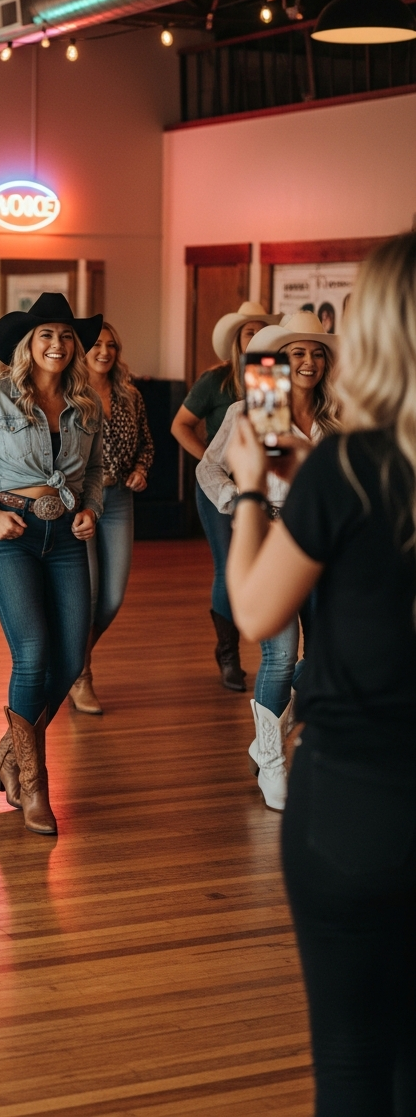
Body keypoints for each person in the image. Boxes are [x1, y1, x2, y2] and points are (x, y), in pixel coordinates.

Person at [224, 234, 416, 1116]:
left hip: (356, 804)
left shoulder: (350, 469)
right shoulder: (343, 472)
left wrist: (255, 491)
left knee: (350, 1065)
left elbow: (260, 614)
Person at [0, 293, 103, 836]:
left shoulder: (88, 405)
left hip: (65, 537)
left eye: (65, 336)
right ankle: (35, 786)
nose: (57, 345)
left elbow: (97, 471)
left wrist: (90, 509)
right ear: (28, 346)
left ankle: (10, 752)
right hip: (9, 534)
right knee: (33, 653)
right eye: (46, 336)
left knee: (69, 656)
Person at [197, 311, 340, 809]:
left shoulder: (337, 417)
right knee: (279, 654)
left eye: (316, 352)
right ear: (278, 362)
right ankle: (273, 761)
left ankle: (267, 735)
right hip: (272, 538)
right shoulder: (253, 411)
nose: (308, 362)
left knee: (324, 656)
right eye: (297, 353)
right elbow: (208, 469)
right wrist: (240, 501)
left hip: (325, 545)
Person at [170, 301, 279, 691]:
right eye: (250, 331)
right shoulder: (216, 382)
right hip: (220, 487)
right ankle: (229, 654)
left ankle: (279, 657)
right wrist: (213, 464)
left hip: (268, 490)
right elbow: (181, 426)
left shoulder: (273, 385)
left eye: (263, 331)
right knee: (228, 565)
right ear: (237, 340)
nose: (257, 337)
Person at [68, 321, 153, 714]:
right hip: (79, 499)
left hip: (118, 499)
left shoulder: (130, 395)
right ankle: (81, 675)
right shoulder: (69, 394)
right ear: (82, 351)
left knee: (113, 595)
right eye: (96, 345)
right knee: (89, 592)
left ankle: (70, 659)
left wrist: (141, 469)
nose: (104, 351)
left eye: (111, 345)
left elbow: (147, 443)